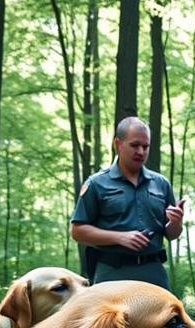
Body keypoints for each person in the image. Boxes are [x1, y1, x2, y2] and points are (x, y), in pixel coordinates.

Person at [70, 117, 186, 290]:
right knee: (111, 319)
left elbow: (171, 234)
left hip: (153, 272)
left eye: (145, 146)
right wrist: (120, 237)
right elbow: (77, 231)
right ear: (118, 144)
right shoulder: (97, 183)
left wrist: (176, 223)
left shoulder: (161, 183)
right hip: (111, 272)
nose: (141, 151)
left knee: (167, 317)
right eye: (135, 145)